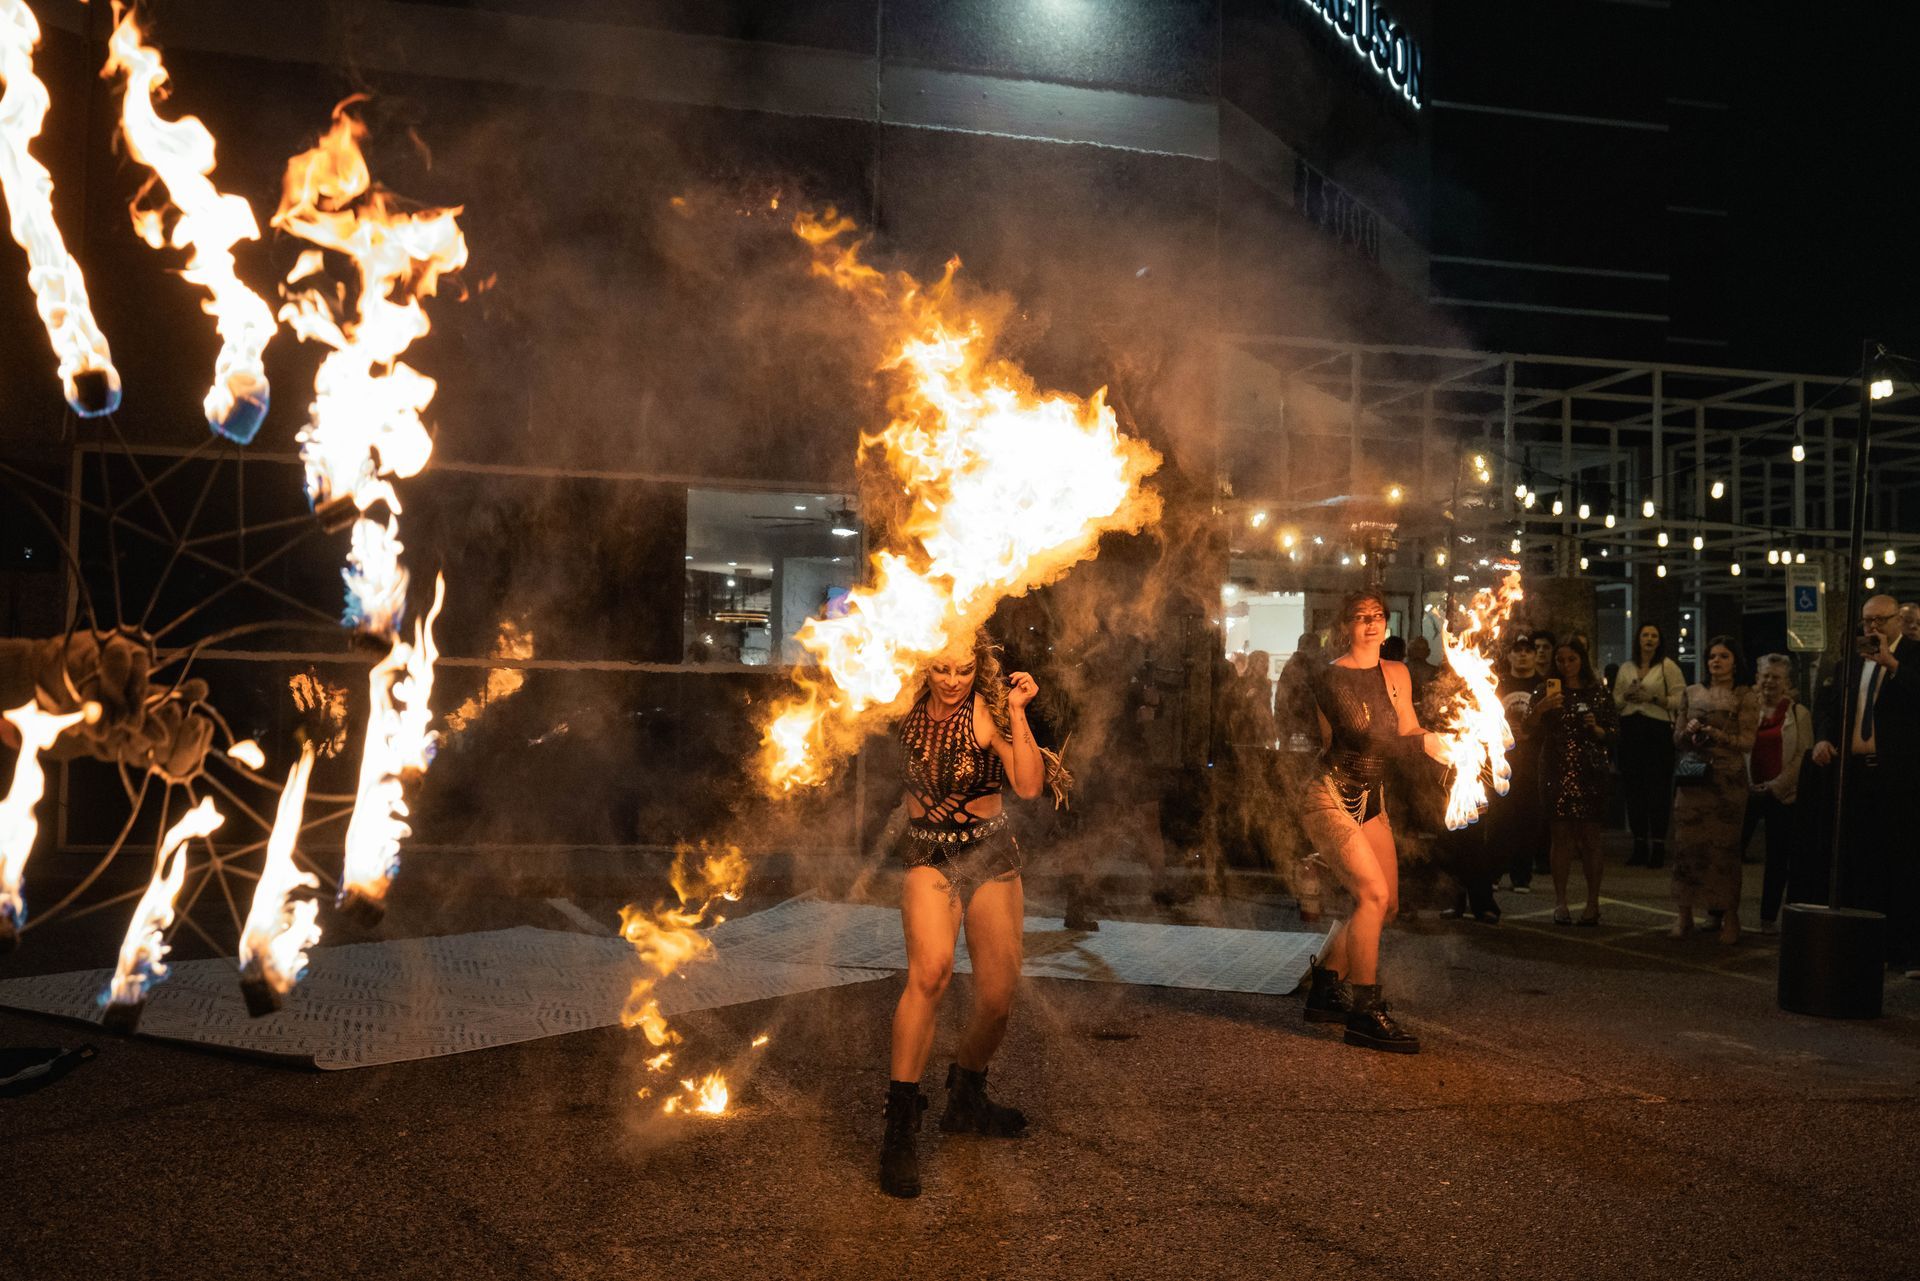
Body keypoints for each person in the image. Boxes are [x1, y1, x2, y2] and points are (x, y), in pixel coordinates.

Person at [880, 631, 1053, 1199]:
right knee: (930, 973)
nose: (952, 681)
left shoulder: (987, 712)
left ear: (977, 666)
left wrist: (1018, 713)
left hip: (989, 854)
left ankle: (967, 1096)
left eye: (963, 670)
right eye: (941, 669)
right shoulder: (900, 702)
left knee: (998, 998)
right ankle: (899, 1131)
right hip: (929, 853)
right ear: (924, 667)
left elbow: (1029, 785)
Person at [1297, 589, 1451, 1054]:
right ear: (1345, 625)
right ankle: (1364, 1012)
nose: (1371, 623)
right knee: (1372, 894)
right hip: (1328, 796)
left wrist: (1446, 743)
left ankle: (1326, 987)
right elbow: (1366, 740)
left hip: (1371, 800)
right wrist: (1421, 745)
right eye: (1361, 616)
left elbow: (1407, 729)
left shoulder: (1398, 672)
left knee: (1388, 905)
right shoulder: (1331, 677)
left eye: (1378, 615)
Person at [1811, 595, 1920, 977]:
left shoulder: (1914, 655)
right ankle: (1869, 944)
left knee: (1903, 861)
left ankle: (1907, 947)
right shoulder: (1852, 662)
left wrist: (1893, 664)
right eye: (1867, 621)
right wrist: (1823, 739)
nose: (1872, 628)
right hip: (1857, 773)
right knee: (1862, 859)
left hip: (1900, 775)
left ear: (1897, 621)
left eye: (1880, 620)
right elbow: (1829, 707)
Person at [1668, 637, 1758, 944]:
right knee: (1687, 847)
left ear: (1735, 662)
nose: (1716, 662)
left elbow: (1747, 741)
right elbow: (1677, 738)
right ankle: (1684, 915)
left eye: (1723, 656)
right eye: (1711, 656)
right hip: (1694, 779)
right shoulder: (1692, 692)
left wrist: (1717, 735)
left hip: (1726, 781)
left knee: (1724, 850)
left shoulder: (1745, 695)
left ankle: (1729, 917)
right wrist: (1689, 732)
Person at [1533, 638, 1619, 926]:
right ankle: (1561, 902)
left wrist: (1596, 728)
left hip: (1590, 769)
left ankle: (1593, 903)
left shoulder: (1599, 693)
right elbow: (1526, 727)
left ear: (1582, 659)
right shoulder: (1546, 690)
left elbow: (1614, 733)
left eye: (1572, 659)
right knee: (1560, 837)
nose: (1566, 665)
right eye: (1560, 660)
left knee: (1591, 837)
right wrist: (1541, 708)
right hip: (1556, 767)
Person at [1743, 654, 1813, 934]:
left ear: (1787, 682)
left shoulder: (1799, 713)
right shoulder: (1747, 709)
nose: (1770, 682)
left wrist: (1776, 785)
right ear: (1757, 678)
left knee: (1777, 858)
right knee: (1731, 851)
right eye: (1765, 676)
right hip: (1747, 790)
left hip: (1782, 794)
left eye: (1776, 677)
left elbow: (1802, 755)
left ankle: (1768, 917)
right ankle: (1719, 912)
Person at [1613, 623, 1686, 868]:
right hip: (1630, 730)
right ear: (1638, 639)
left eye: (1654, 636)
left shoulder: (1668, 666)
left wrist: (1653, 698)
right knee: (1634, 790)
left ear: (1659, 641)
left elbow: (1680, 699)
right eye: (1645, 635)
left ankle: (1658, 846)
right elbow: (1614, 702)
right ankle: (1639, 845)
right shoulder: (1626, 668)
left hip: (1657, 731)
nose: (1649, 639)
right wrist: (1626, 696)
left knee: (1658, 791)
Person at [1489, 630, 1548, 892]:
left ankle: (1521, 875)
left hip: (1533, 760)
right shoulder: (1498, 685)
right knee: (1500, 818)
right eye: (1518, 650)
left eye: (1528, 650)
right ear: (1510, 655)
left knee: (1528, 818)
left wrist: (1533, 732)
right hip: (1503, 760)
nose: (1523, 655)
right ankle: (1494, 872)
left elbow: (1551, 722)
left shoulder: (1543, 687)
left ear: (1535, 656)